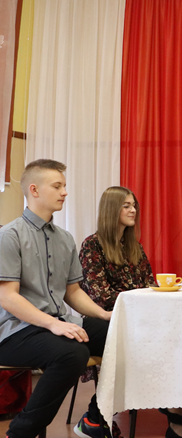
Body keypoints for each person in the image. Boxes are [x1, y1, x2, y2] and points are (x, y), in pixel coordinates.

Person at [0, 159, 112, 438]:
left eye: (64, 186)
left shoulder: (65, 238)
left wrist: (104, 315)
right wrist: (53, 324)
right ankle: (20, 433)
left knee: (120, 335)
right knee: (72, 354)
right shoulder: (9, 236)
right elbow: (7, 297)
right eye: (57, 186)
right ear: (34, 190)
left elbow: (72, 292)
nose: (64, 192)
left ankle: (94, 419)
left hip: (54, 323)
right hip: (14, 331)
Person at [78, 186, 161, 438]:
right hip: (101, 320)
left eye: (134, 205)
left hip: (135, 319)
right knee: (136, 346)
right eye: (126, 205)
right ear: (111, 209)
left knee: (165, 340)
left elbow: (151, 286)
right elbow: (100, 296)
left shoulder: (135, 247)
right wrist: (140, 300)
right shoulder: (92, 245)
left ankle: (95, 417)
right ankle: (96, 416)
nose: (133, 210)